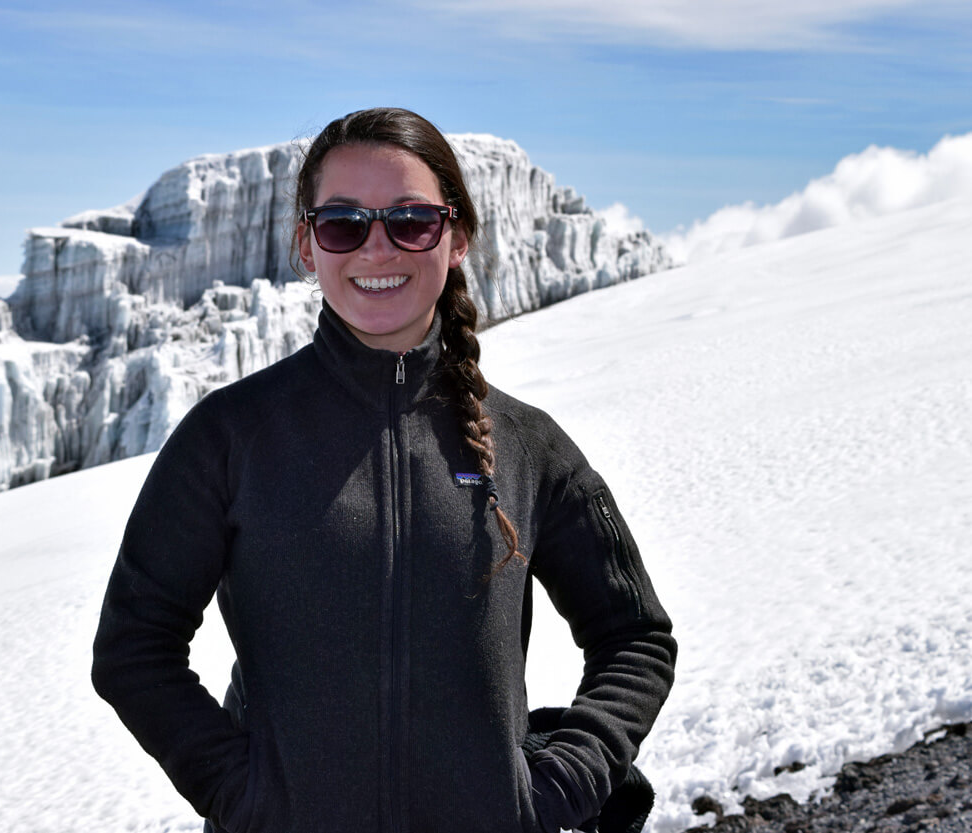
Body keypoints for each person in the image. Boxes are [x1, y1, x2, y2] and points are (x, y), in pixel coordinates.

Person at [92, 107, 677, 833]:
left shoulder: (527, 443)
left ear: (456, 236)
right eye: (343, 223)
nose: (377, 247)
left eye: (411, 220)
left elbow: (635, 636)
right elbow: (133, 647)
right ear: (307, 244)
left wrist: (555, 784)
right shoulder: (230, 436)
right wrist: (246, 796)